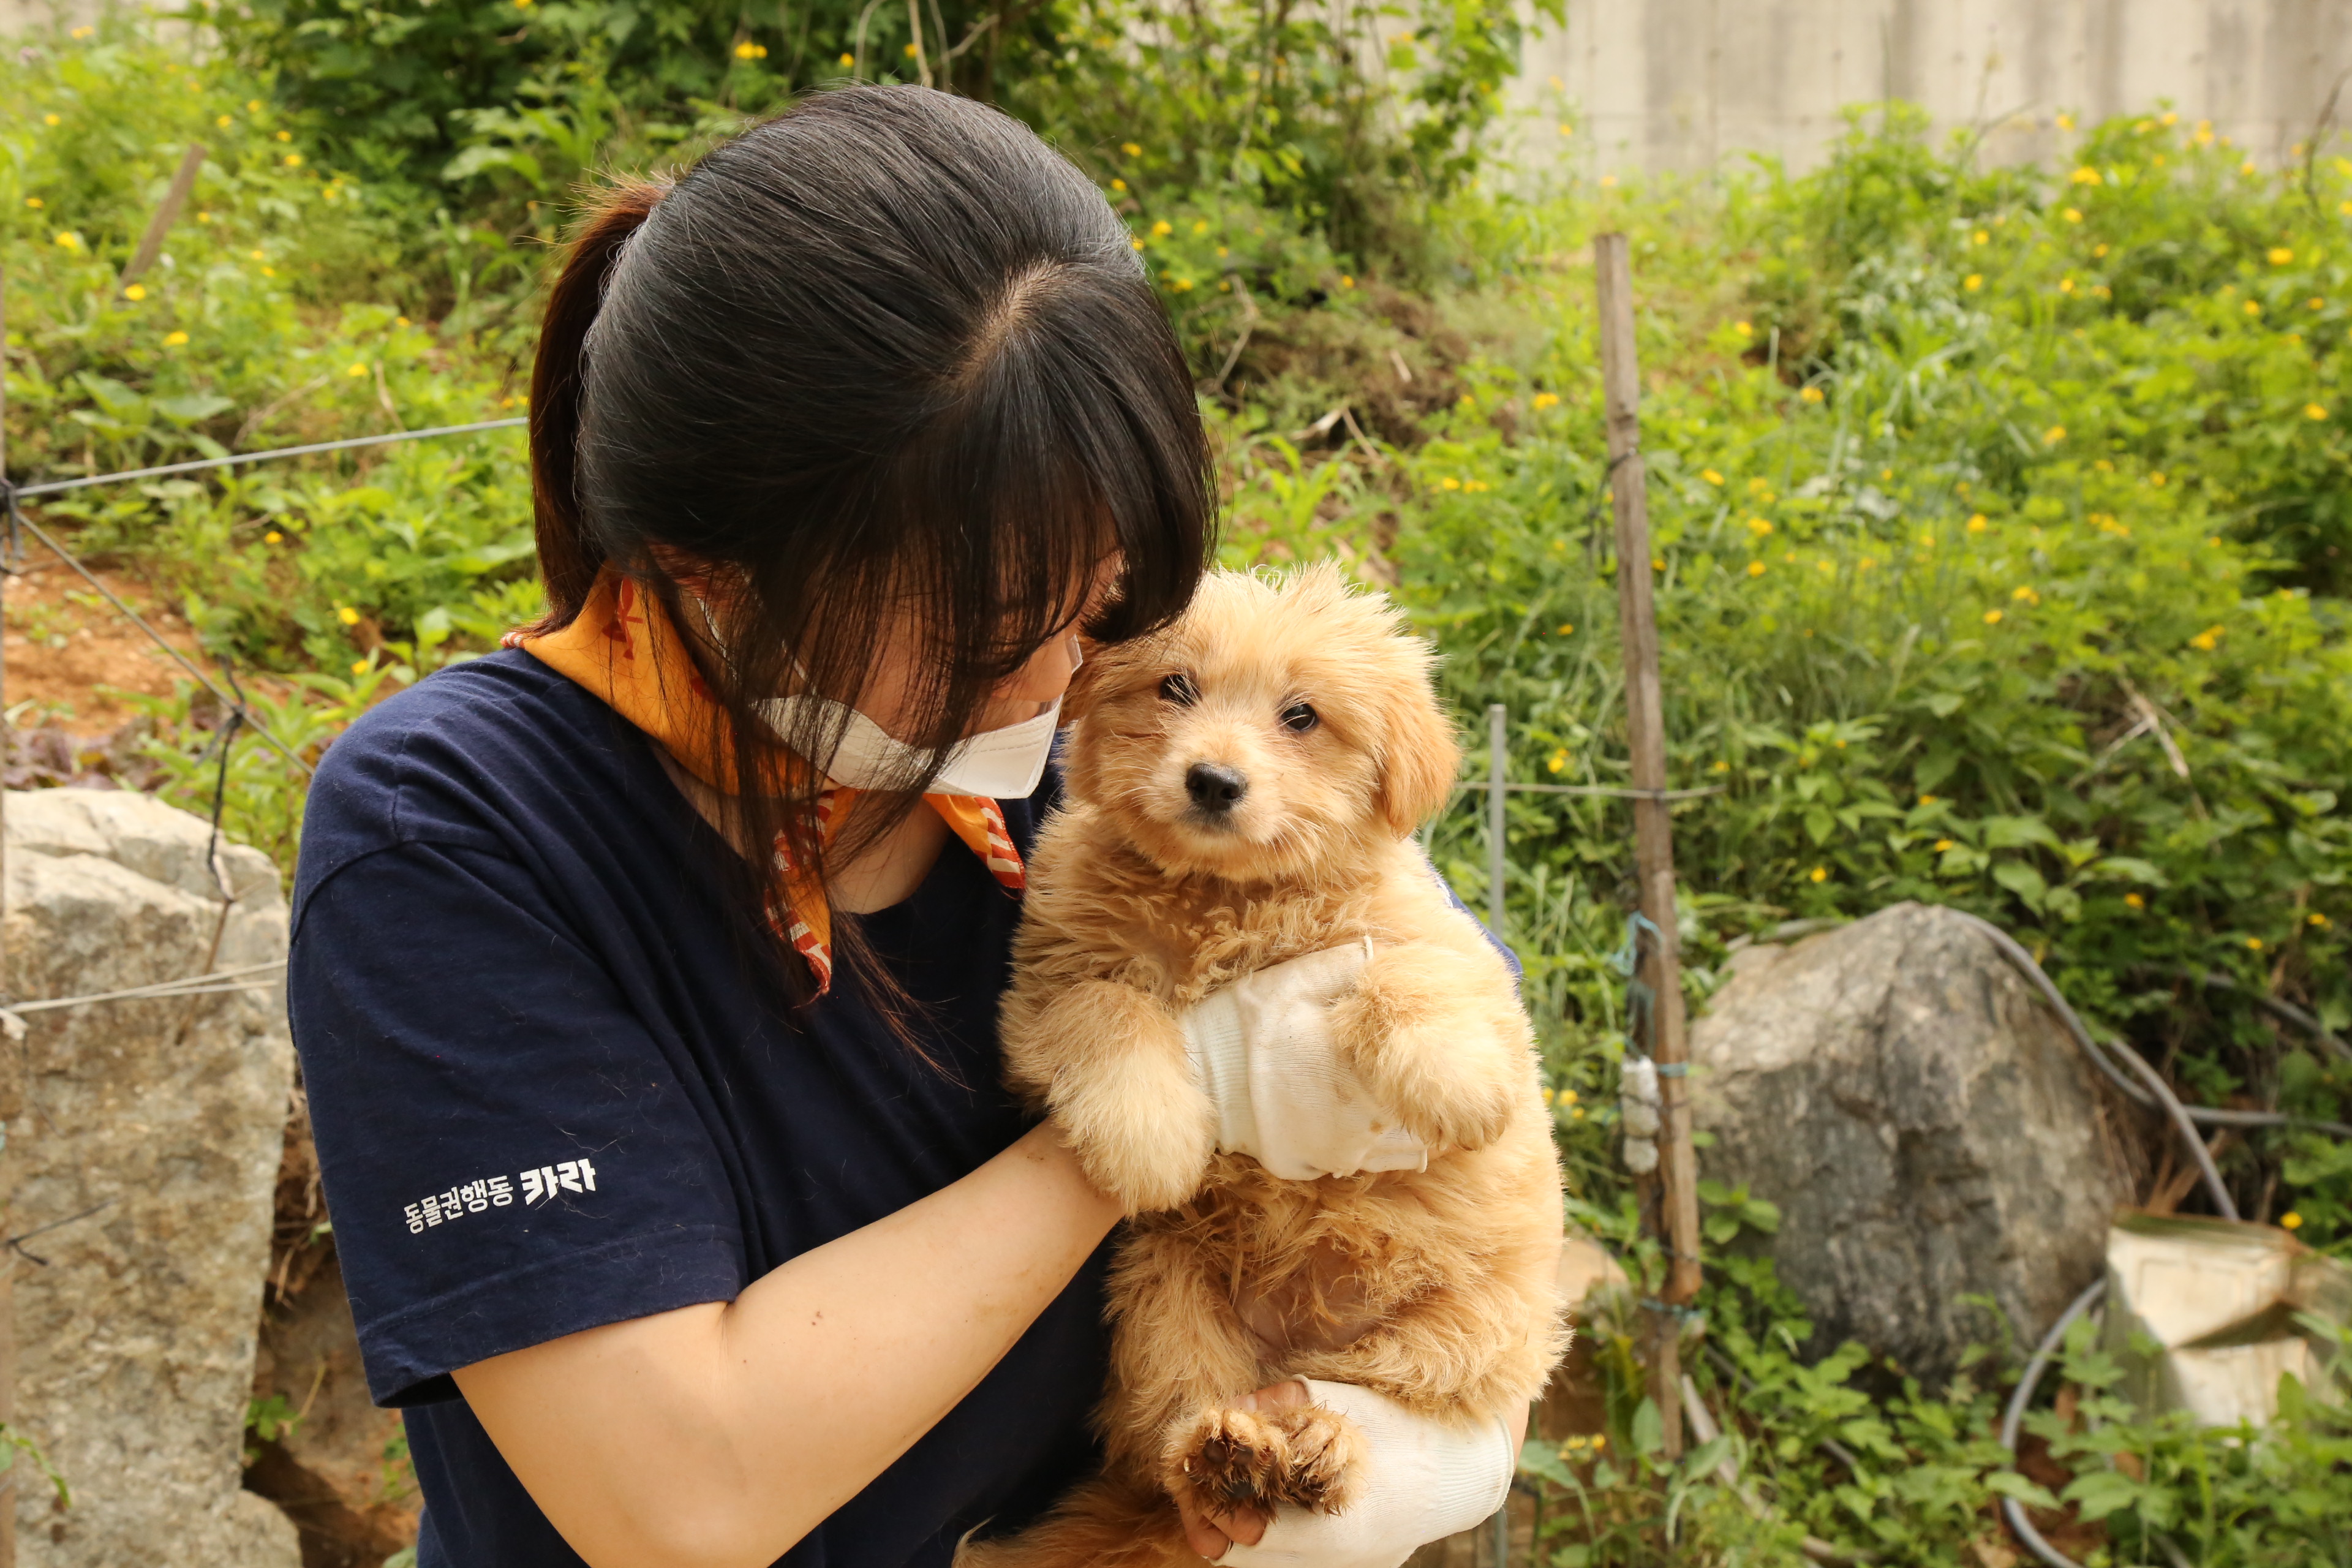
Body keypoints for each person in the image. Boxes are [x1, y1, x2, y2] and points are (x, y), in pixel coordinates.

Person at [288, 85, 1520, 1568]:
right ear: (716, 569)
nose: (1080, 676)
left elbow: (1445, 1109)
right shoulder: (454, 831)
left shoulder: (1107, 755)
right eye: (1005, 621)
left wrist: (1394, 1431)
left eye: (1109, 595)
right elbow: (678, 1496)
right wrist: (1168, 1087)